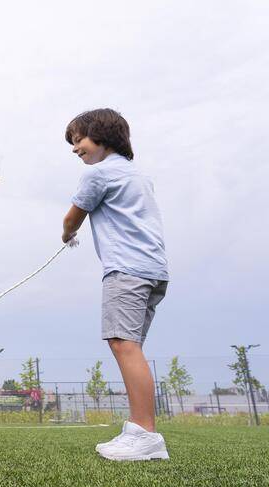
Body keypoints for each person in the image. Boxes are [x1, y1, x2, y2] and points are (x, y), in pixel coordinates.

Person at [61, 108, 170, 461]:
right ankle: (141, 432)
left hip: (126, 270)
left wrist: (67, 234)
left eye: (79, 140)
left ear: (101, 136)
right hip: (154, 271)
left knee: (123, 345)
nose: (76, 149)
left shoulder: (98, 174)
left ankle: (144, 435)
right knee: (130, 345)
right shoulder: (138, 174)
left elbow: (72, 216)